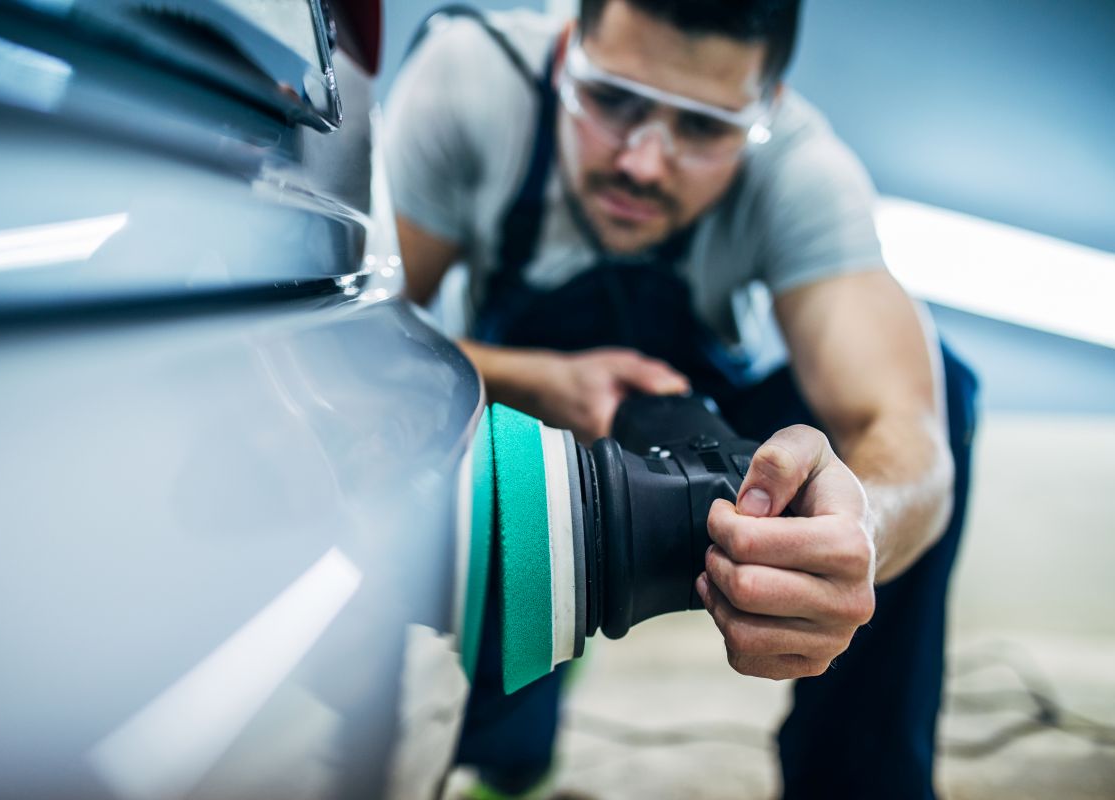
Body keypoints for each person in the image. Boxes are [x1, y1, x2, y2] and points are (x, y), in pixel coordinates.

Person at [385, 1, 977, 797]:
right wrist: (537, 380)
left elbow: (903, 427)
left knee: (944, 389)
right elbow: (363, 340)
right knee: (504, 755)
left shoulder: (804, 172)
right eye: (614, 102)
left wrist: (856, 532)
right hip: (507, 409)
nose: (643, 163)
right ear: (567, 50)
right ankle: (506, 751)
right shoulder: (470, 78)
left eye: (702, 130)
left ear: (763, 108)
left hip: (685, 410)